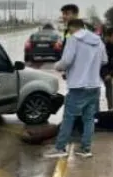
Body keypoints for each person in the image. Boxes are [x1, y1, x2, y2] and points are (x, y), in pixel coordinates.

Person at [45, 18, 107, 158]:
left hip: (78, 86)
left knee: (69, 117)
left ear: (72, 28)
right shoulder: (98, 40)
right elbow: (104, 60)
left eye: (69, 30)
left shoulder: (74, 39)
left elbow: (66, 61)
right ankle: (86, 149)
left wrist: (57, 66)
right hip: (94, 86)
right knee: (89, 118)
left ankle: (60, 148)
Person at [101, 27, 113, 112]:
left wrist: (111, 73)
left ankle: (111, 108)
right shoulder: (100, 44)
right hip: (96, 67)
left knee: (109, 84)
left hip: (108, 67)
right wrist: (105, 74)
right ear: (107, 37)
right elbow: (99, 62)